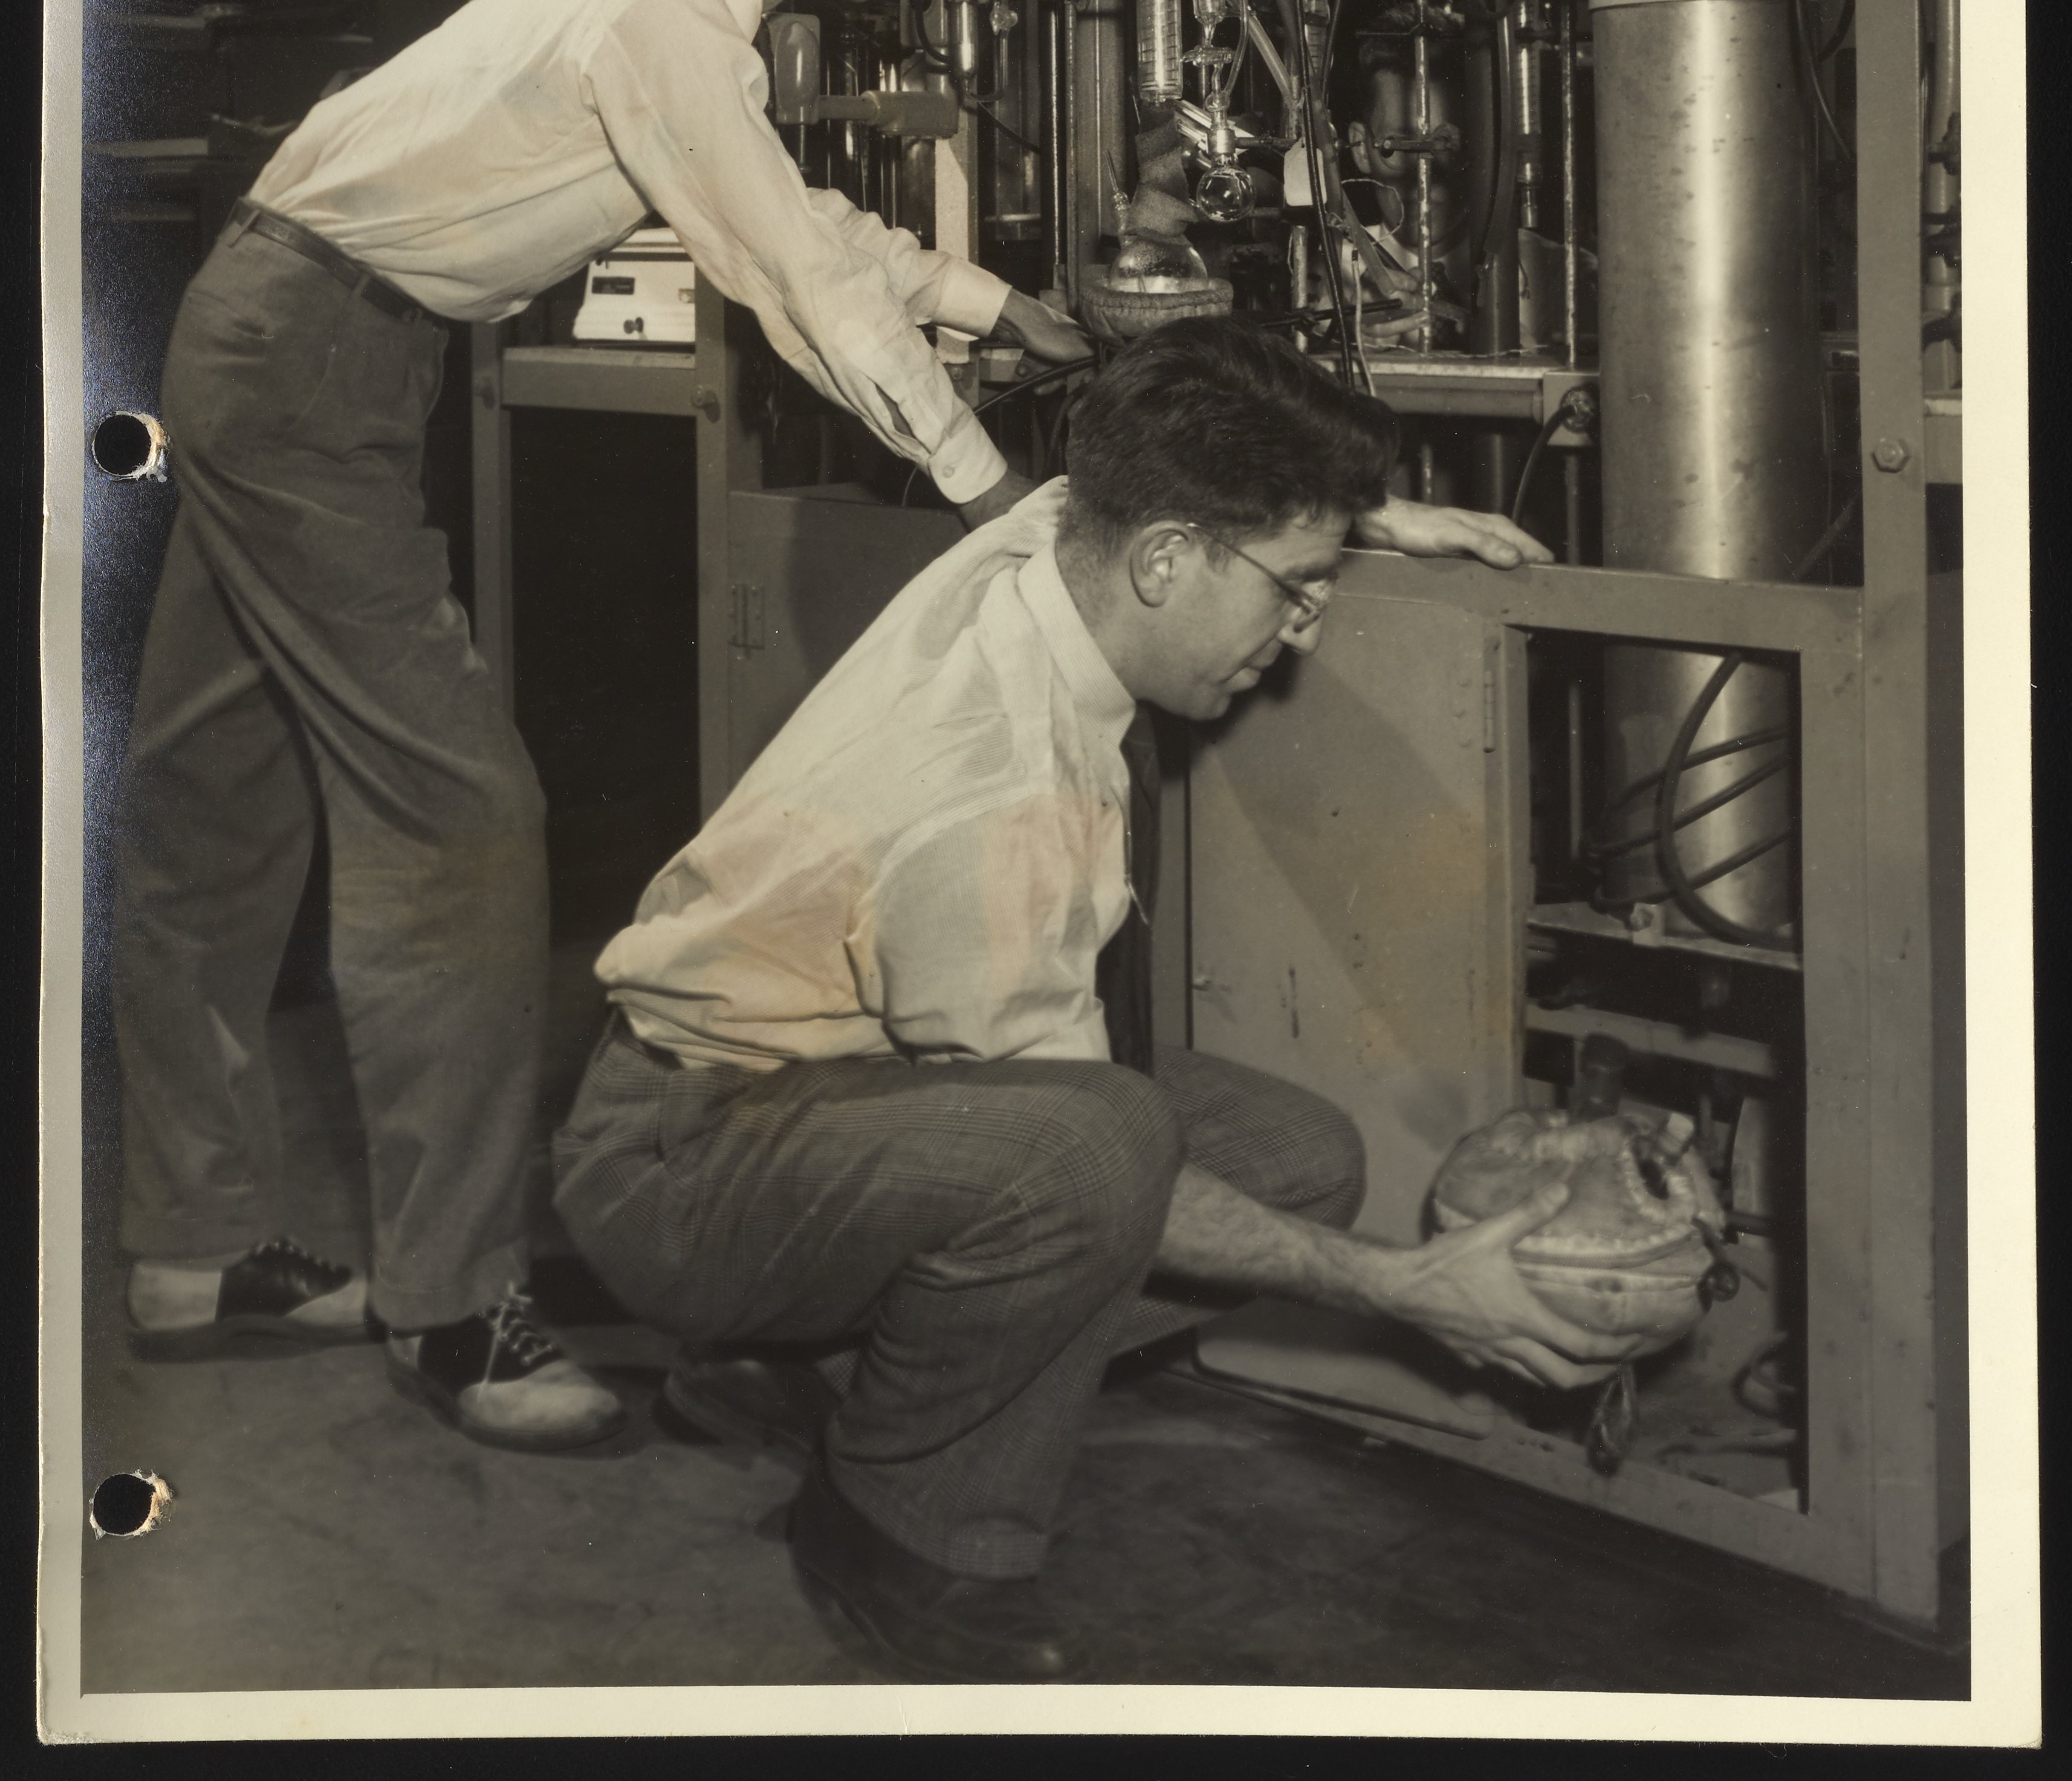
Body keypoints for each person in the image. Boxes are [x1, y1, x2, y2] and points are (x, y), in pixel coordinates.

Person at [109, 0, 1086, 1452]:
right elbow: (784, 264)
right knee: (463, 820)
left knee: (216, 799)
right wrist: (986, 490)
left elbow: (780, 205)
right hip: (312, 358)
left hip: (290, 333)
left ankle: (187, 1255)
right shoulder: (660, 4)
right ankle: (447, 1305)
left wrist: (982, 301)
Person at [552, 320, 1609, 1681]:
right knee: (1097, 1147)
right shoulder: (996, 793)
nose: (1307, 624)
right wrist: (1401, 1289)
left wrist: (1361, 516)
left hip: (829, 1101)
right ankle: (903, 1528)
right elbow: (1094, 1156)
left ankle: (816, 1372)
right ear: (1166, 561)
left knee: (1293, 1158)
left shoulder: (1056, 546)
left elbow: (1126, 462)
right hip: (684, 1158)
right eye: (1296, 585)